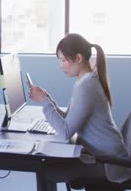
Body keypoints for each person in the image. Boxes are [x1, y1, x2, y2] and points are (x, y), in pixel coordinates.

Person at [28, 33, 131, 185]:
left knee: (46, 170)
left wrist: (44, 102)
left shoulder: (87, 85)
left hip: (107, 163)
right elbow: (69, 119)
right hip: (104, 156)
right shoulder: (86, 81)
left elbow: (66, 132)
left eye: (63, 60)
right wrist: (48, 100)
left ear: (78, 58)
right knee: (49, 165)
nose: (61, 65)